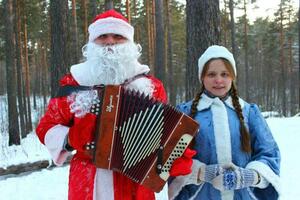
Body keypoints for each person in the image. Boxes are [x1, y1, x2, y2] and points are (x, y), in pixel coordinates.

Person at [36, 9, 193, 200]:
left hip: (135, 183)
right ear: (92, 43)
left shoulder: (151, 85)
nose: (110, 41)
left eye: (118, 36)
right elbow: (46, 127)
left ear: (129, 43)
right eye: (102, 36)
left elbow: (165, 134)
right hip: (88, 182)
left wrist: (174, 155)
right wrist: (70, 138)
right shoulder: (75, 82)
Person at [168, 45, 281, 200]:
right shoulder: (185, 113)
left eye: (225, 74)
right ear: (202, 77)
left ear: (232, 77)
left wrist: (249, 176)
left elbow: (269, 153)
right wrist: (201, 173)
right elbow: (171, 157)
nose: (218, 80)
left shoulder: (249, 112)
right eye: (211, 74)